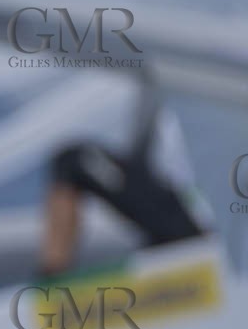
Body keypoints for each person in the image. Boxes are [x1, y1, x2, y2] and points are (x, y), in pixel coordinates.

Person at [38, 79, 208, 275]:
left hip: (197, 219)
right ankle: (53, 275)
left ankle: (52, 278)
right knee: (73, 161)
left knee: (72, 161)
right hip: (169, 202)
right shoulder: (163, 77)